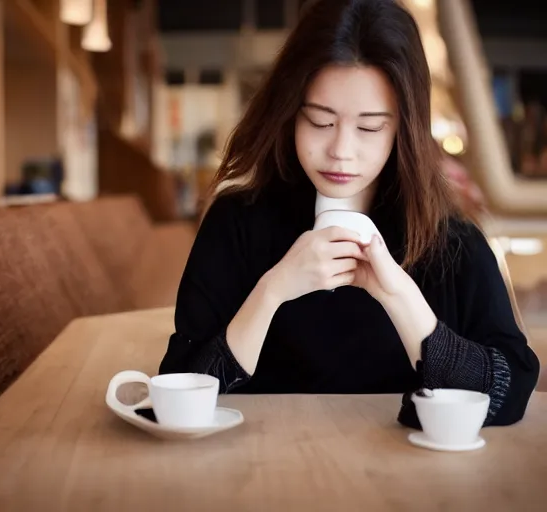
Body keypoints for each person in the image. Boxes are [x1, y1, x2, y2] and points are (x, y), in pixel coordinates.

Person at [158, 0, 540, 428]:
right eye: (320, 122)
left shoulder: (449, 240)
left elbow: (511, 391)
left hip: (408, 483)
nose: (341, 151)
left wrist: (402, 299)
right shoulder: (237, 223)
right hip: (261, 475)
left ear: (404, 128)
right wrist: (272, 291)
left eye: (370, 127)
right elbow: (178, 386)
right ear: (289, 114)